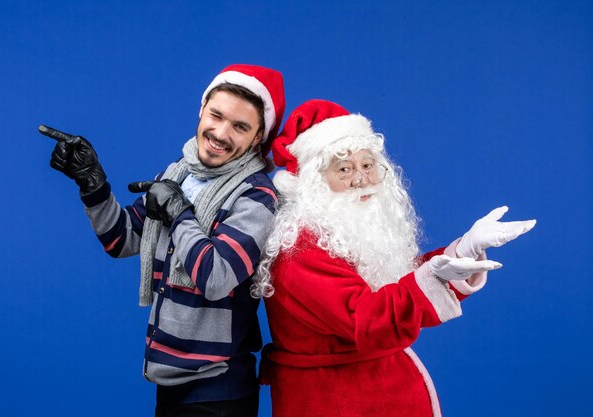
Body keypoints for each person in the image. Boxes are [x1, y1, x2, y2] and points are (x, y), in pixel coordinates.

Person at [253, 99, 536, 417]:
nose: (361, 180)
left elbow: (398, 286)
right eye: (344, 169)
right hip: (336, 402)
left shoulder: (339, 233)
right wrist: (435, 276)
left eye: (367, 165)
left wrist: (462, 250)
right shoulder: (302, 249)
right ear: (313, 183)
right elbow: (371, 319)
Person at [39, 64, 285, 417]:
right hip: (170, 378)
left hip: (219, 388)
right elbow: (121, 239)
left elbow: (215, 277)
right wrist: (92, 184)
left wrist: (179, 213)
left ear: (258, 136)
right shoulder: (179, 174)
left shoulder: (257, 197)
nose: (220, 132)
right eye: (216, 115)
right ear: (202, 110)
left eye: (240, 126)